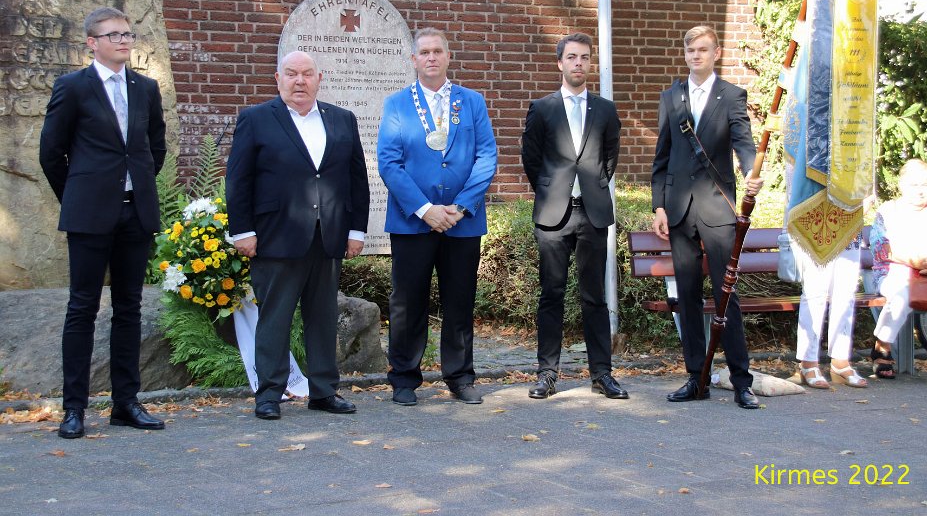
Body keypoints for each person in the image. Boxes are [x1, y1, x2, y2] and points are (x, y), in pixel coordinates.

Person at [39, 6, 168, 438]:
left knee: (129, 308)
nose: (124, 41)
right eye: (114, 35)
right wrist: (80, 196)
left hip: (135, 213)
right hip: (90, 215)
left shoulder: (145, 88)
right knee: (82, 308)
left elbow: (154, 149)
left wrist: (135, 188)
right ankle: (74, 408)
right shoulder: (73, 87)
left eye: (128, 34)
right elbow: (51, 153)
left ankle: (126, 403)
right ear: (92, 43)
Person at [226, 51, 369, 420]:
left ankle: (323, 391)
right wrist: (242, 231)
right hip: (275, 237)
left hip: (328, 236)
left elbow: (357, 179)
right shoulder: (256, 119)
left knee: (322, 317)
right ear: (278, 79)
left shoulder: (342, 119)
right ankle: (269, 394)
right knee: (275, 318)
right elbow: (238, 180)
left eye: (307, 74)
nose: (300, 81)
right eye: (291, 73)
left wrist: (356, 230)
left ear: (320, 79)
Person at [377, 27, 497, 406]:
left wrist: (460, 207)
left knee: (459, 301)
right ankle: (404, 379)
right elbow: (389, 163)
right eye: (424, 52)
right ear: (414, 60)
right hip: (413, 222)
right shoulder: (397, 104)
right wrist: (426, 209)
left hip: (463, 222)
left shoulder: (472, 102)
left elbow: (486, 156)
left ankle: (460, 377)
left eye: (437, 51)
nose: (431, 57)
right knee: (407, 302)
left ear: (448, 57)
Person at [650, 25, 764, 409]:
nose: (695, 56)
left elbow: (744, 143)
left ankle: (741, 381)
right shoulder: (671, 97)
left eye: (702, 50)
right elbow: (662, 155)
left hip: (717, 207)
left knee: (725, 295)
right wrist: (659, 205)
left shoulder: (731, 95)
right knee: (687, 297)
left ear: (716, 53)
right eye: (690, 50)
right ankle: (696, 378)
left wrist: (751, 173)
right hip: (679, 210)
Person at [521, 32, 627, 400]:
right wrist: (552, 189)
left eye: (584, 57)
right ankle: (547, 374)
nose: (578, 63)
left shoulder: (605, 110)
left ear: (590, 63)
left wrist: (592, 188)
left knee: (594, 296)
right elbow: (531, 158)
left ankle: (602, 374)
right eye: (571, 57)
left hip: (592, 213)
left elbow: (609, 159)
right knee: (551, 294)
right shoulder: (542, 108)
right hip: (554, 214)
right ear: (560, 63)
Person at [869, 159, 927, 385]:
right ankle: (882, 347)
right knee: (901, 295)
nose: (920, 191)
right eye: (914, 185)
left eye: (925, 185)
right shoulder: (888, 211)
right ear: (902, 185)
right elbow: (881, 248)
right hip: (895, 269)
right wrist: (916, 261)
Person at [792, 234, 868, 389]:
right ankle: (808, 362)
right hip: (815, 225)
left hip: (850, 226)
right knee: (814, 293)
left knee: (846, 294)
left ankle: (840, 361)